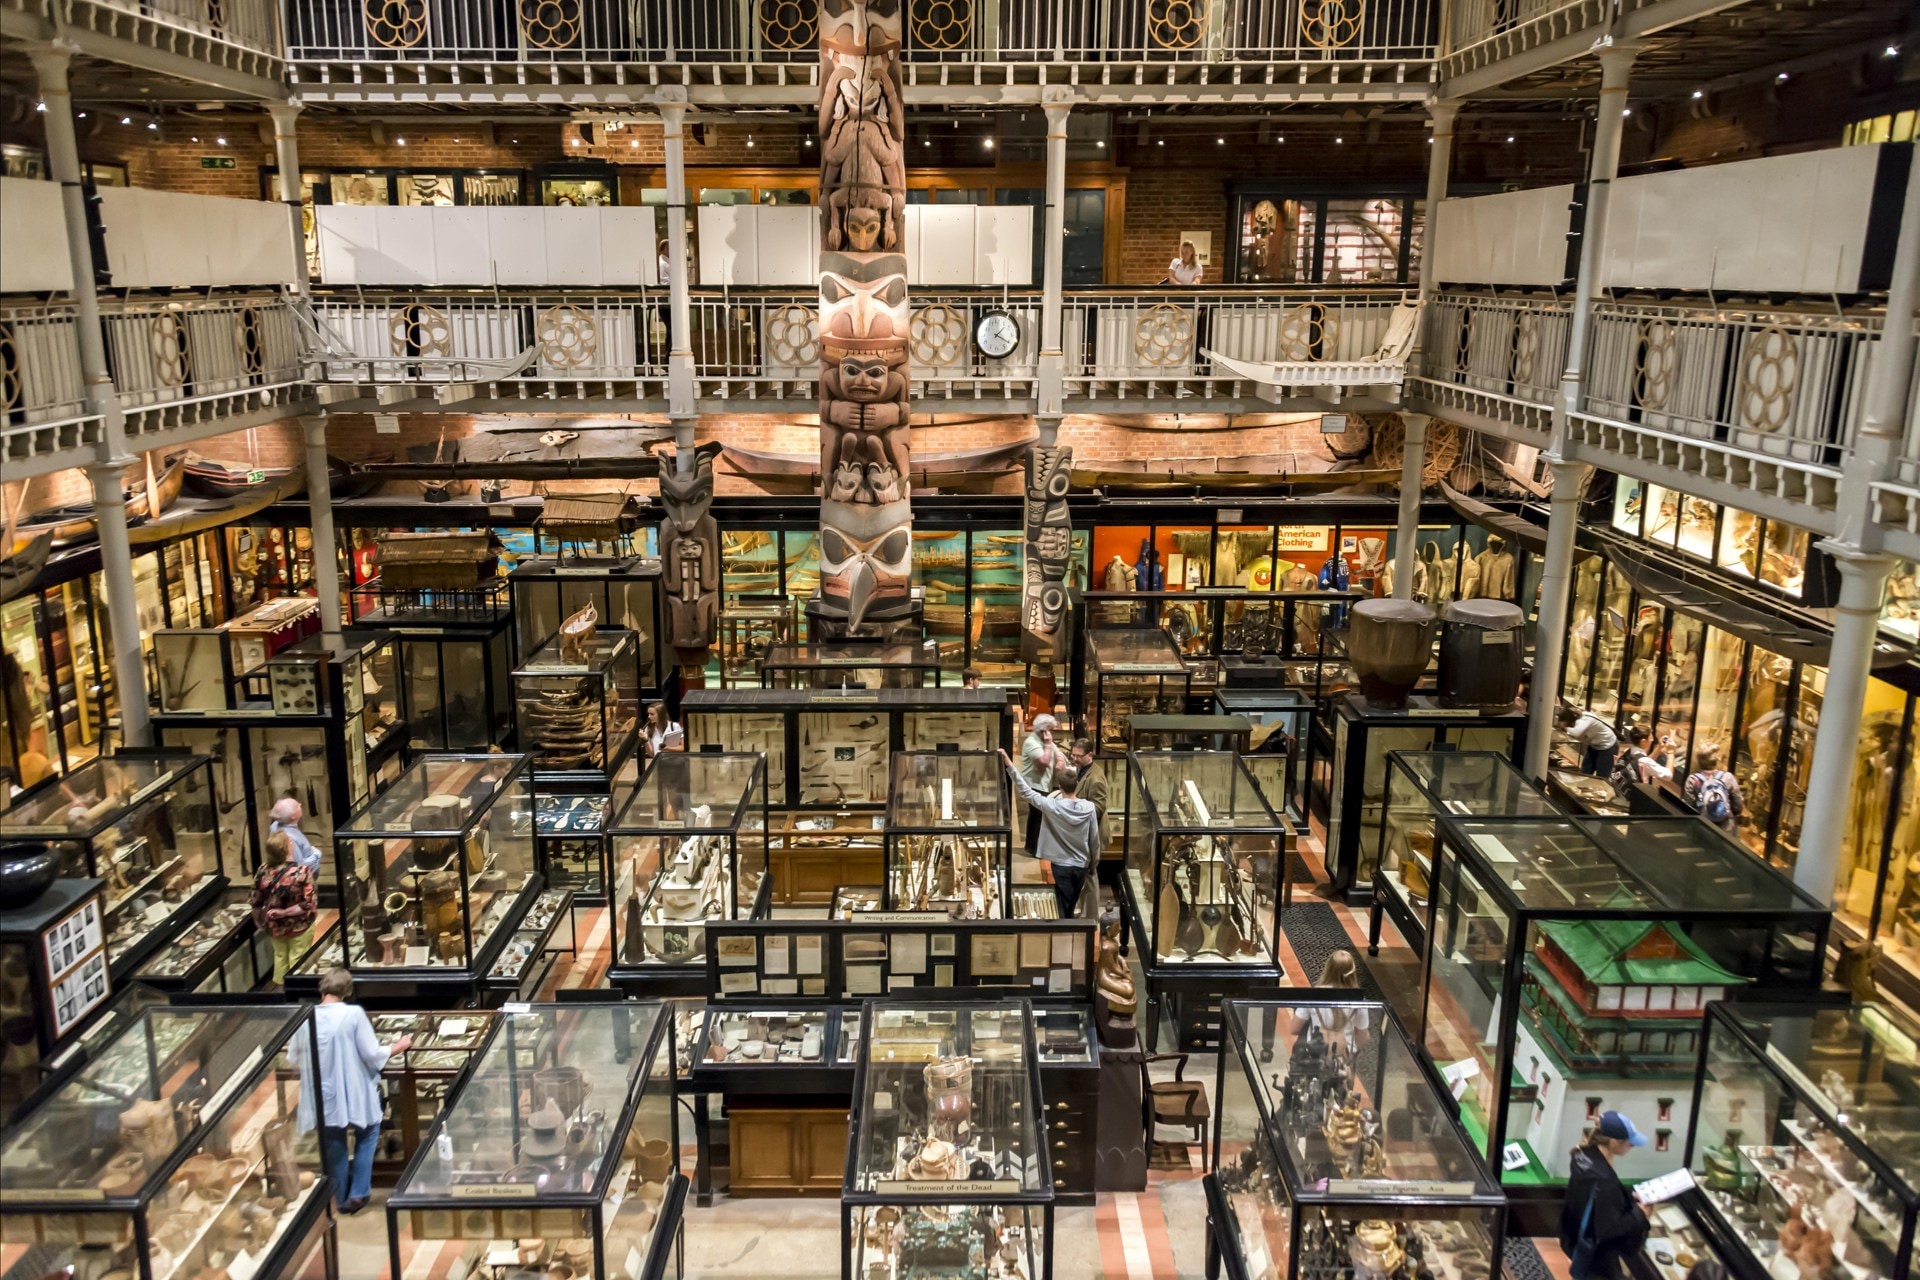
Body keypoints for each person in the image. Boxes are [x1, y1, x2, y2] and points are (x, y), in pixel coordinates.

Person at [298, 969, 411, 1216]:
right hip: (353, 1087)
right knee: (368, 1132)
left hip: (324, 1090)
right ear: (347, 991)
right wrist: (397, 1047)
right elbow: (371, 1052)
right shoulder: (353, 1014)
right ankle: (358, 1193)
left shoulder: (306, 1016)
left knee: (334, 1140)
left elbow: (296, 1055)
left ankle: (339, 1197)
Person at [998, 748, 1099, 917]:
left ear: (1060, 787)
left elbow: (1025, 791)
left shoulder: (1051, 805)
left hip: (1061, 865)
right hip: (1081, 865)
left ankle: (1066, 935)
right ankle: (1069, 931)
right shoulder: (1089, 808)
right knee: (1072, 902)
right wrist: (1093, 865)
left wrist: (1008, 762)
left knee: (1064, 907)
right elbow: (1094, 840)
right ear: (1077, 785)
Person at [1560, 1111, 1650, 1279]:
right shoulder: (1606, 1181)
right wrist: (1640, 1214)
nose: (1632, 1146)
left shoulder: (1581, 1155)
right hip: (1595, 1256)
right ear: (1614, 1141)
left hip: (1571, 1233)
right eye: (1629, 1142)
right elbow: (1608, 1230)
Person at [250, 830, 317, 988]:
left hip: (275, 924)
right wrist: (285, 912)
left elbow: (255, 900)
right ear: (288, 847)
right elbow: (308, 903)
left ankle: (282, 991)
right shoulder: (302, 873)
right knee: (298, 957)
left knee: (280, 956)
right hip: (300, 924)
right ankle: (297, 990)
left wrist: (258, 920)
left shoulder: (262, 871)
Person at [1018, 713, 1068, 855]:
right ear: (1042, 731)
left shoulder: (1047, 740)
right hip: (1035, 785)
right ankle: (1033, 848)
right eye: (1050, 730)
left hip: (1046, 784)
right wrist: (1047, 745)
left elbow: (1058, 753)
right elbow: (1043, 763)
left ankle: (1041, 847)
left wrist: (1059, 760)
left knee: (1043, 817)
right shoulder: (1031, 742)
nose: (1052, 733)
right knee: (1037, 817)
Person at [1684, 745, 1744, 834]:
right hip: (1725, 826)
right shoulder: (1727, 777)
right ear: (1716, 760)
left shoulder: (1693, 780)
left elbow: (1688, 805)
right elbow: (1738, 805)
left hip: (1702, 825)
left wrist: (1701, 804)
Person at [1067, 737, 1108, 858]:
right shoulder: (1082, 768)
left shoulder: (1095, 779)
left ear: (1090, 755)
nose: (1074, 759)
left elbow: (1098, 809)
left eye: (1078, 756)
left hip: (1091, 836)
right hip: (1081, 834)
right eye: (1073, 755)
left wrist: (1074, 811)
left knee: (1089, 874)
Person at [1557, 705, 1619, 777]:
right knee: (1585, 772)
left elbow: (1575, 733)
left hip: (1608, 747)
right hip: (1594, 745)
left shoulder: (1584, 720)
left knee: (1602, 776)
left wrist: (1564, 727)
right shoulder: (1579, 719)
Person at [269, 796, 322, 873]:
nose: (300, 805)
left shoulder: (275, 825)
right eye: (297, 806)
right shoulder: (289, 838)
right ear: (292, 816)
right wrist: (316, 854)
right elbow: (298, 865)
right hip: (305, 876)